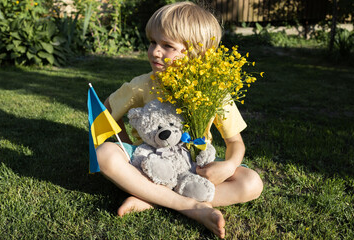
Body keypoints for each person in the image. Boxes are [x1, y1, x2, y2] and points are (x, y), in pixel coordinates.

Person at [96, 1, 263, 238]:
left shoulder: (213, 90)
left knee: (252, 182)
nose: (155, 51)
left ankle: (152, 198)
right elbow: (106, 111)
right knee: (105, 154)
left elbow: (235, 142)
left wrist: (229, 166)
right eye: (153, 42)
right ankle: (191, 207)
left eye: (167, 46)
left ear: (198, 53)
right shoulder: (143, 85)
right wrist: (128, 146)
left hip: (196, 168)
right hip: (152, 165)